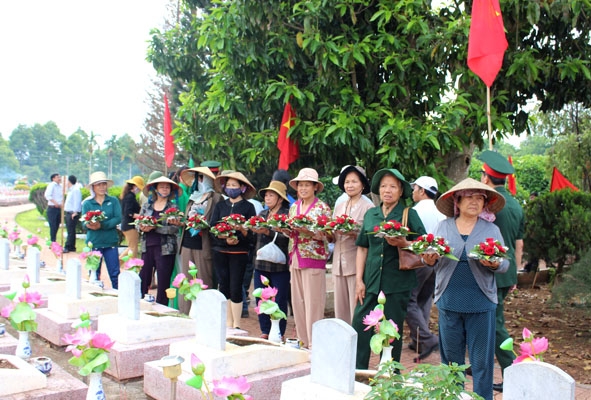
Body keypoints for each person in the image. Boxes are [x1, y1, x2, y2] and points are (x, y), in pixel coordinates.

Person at [422, 178, 509, 400]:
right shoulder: (443, 226)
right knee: (451, 361)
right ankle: (453, 396)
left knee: (481, 361)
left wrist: (495, 263)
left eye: (480, 198)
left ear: (485, 204)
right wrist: (429, 259)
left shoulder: (491, 229)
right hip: (449, 301)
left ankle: (482, 397)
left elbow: (505, 263)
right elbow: (429, 258)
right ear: (457, 202)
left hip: (481, 303)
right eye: (469, 197)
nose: (474, 201)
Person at [351, 168, 426, 369]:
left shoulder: (409, 214)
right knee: (360, 325)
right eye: (384, 186)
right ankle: (359, 372)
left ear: (401, 191)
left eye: (393, 186)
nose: (387, 190)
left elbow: (424, 247)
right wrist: (359, 280)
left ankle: (390, 376)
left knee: (392, 330)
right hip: (370, 282)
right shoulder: (371, 214)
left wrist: (403, 243)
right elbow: (362, 248)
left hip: (397, 283)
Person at [478, 150, 525, 392]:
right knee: (488, 322)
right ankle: (479, 364)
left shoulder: (490, 204)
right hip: (507, 272)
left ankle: (512, 371)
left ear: (486, 177)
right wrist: (514, 274)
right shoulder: (515, 204)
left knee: (495, 325)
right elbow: (519, 244)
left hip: (490, 272)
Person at [286, 168, 332, 349]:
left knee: (314, 303)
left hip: (313, 258)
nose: (303, 188)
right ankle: (302, 340)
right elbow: (291, 232)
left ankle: (315, 343)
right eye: (300, 185)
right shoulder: (293, 207)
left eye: (307, 185)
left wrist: (310, 232)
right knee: (297, 302)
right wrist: (286, 230)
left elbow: (329, 235)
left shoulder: (322, 208)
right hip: (295, 256)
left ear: (315, 187)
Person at [405, 175, 446, 361]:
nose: (413, 192)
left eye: (415, 189)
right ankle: (419, 339)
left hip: (419, 259)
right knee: (424, 299)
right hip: (437, 260)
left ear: (422, 191)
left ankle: (427, 339)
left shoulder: (414, 211)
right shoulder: (441, 212)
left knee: (408, 300)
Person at [209, 170, 257, 329]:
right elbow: (213, 227)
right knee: (223, 285)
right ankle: (227, 322)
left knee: (236, 286)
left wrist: (240, 234)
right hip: (220, 252)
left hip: (239, 253)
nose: (231, 188)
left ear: (242, 188)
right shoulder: (220, 205)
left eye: (234, 185)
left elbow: (252, 234)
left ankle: (237, 323)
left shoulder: (248, 207)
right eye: (228, 185)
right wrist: (222, 237)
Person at [330, 165, 374, 325]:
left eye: (354, 181)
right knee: (340, 311)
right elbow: (333, 236)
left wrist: (354, 233)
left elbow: (371, 238)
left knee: (357, 309)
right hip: (338, 264)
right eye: (347, 182)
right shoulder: (340, 206)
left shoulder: (368, 207)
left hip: (356, 265)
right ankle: (343, 346)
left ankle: (358, 347)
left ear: (362, 184)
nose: (350, 185)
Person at [177, 166, 223, 314]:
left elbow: (217, 221)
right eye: (198, 177)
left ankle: (205, 314)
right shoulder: (193, 197)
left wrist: (203, 223)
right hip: (187, 242)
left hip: (204, 244)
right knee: (186, 280)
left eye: (202, 177)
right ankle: (186, 313)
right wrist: (181, 222)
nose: (200, 181)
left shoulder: (216, 198)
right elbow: (187, 219)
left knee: (204, 279)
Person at [250, 181, 290, 339]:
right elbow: (256, 239)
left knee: (279, 299)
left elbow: (287, 239)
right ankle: (265, 331)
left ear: (280, 199)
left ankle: (279, 332)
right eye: (266, 195)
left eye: (271, 195)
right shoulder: (262, 215)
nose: (267, 198)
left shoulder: (286, 215)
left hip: (280, 266)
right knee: (261, 297)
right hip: (261, 263)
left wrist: (268, 232)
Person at [138, 176, 183, 305]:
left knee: (163, 280)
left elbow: (175, 229)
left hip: (166, 249)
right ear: (155, 189)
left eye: (167, 187)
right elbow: (138, 223)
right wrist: (143, 228)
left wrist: (156, 228)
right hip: (147, 246)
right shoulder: (147, 206)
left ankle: (162, 307)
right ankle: (141, 304)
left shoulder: (173, 207)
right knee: (144, 277)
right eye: (162, 187)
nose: (164, 189)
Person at [81, 171, 122, 289]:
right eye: (98, 185)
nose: (102, 187)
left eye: (103, 184)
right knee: (94, 273)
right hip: (94, 242)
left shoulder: (113, 201)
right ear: (93, 187)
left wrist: (102, 225)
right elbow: (83, 222)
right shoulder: (87, 203)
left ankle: (118, 296)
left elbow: (118, 218)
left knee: (115, 273)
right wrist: (89, 224)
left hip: (110, 242)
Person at [119, 175, 144, 260]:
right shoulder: (130, 197)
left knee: (132, 247)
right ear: (134, 186)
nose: (139, 189)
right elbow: (128, 212)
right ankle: (124, 264)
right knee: (133, 248)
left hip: (127, 225)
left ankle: (119, 264)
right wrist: (141, 217)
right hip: (129, 226)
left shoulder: (128, 196)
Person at [63, 175, 82, 253]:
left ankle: (68, 246)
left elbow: (77, 202)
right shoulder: (71, 190)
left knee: (70, 230)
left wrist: (75, 212)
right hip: (69, 212)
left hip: (72, 213)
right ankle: (71, 246)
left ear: (69, 181)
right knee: (70, 230)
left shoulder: (76, 190)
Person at [44, 173, 63, 243]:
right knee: (53, 225)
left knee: (57, 224)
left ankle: (54, 239)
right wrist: (55, 203)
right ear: (53, 178)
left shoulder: (60, 186)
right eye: (58, 177)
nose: (59, 178)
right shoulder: (51, 185)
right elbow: (47, 195)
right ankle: (53, 241)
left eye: (59, 177)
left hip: (58, 208)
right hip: (52, 208)